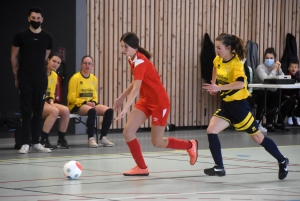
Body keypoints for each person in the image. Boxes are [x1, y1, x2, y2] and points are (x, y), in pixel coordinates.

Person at [202, 33, 289, 180]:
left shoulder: (236, 64)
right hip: (226, 105)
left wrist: (219, 89)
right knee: (211, 130)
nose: (216, 50)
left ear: (228, 48)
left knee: (258, 138)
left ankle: (282, 160)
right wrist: (214, 84)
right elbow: (215, 67)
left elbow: (241, 84)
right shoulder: (218, 59)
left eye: (219, 48)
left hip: (240, 106)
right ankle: (220, 167)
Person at [113, 32, 198, 176]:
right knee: (128, 131)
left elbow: (137, 87)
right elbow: (137, 82)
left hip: (159, 103)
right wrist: (121, 97)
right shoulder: (132, 59)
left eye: (125, 47)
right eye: (121, 47)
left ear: (134, 47)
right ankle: (142, 167)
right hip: (146, 100)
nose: (123, 50)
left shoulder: (140, 61)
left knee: (157, 142)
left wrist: (126, 107)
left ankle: (190, 145)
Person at [11, 7, 52, 154]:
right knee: (26, 111)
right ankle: (25, 143)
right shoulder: (21, 35)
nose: (36, 21)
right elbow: (14, 56)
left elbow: (45, 57)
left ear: (42, 20)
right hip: (25, 78)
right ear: (29, 18)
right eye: (33, 18)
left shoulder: (47, 37)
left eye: (38, 18)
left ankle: (36, 142)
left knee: (38, 110)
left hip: (40, 79)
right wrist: (17, 75)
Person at [67, 56, 114, 147]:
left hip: (90, 104)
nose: (87, 65)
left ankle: (103, 137)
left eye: (89, 63)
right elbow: (71, 98)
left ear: (92, 65)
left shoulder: (93, 78)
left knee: (109, 111)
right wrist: (85, 102)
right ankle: (91, 138)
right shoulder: (75, 78)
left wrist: (93, 102)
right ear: (81, 65)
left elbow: (94, 95)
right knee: (92, 111)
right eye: (85, 63)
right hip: (77, 104)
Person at [254, 48, 294, 131]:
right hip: (260, 91)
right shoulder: (260, 68)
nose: (269, 60)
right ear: (264, 58)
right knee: (269, 97)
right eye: (267, 58)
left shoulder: (275, 67)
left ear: (275, 59)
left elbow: (284, 78)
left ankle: (274, 123)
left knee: (287, 99)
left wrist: (279, 69)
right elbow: (266, 80)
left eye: (271, 58)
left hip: (272, 91)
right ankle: (259, 122)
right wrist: (274, 70)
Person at [40, 52, 70, 149]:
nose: (55, 64)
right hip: (37, 103)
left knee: (65, 110)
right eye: (54, 61)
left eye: (58, 63)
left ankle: (61, 140)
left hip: (47, 102)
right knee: (54, 111)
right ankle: (43, 140)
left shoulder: (54, 75)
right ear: (48, 60)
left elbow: (51, 93)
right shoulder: (40, 73)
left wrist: (51, 102)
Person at [283, 61, 300, 125]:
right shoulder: (287, 77)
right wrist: (293, 97)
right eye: (292, 67)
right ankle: (289, 116)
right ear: (288, 68)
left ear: (298, 69)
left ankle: (297, 115)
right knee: (291, 101)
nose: (293, 68)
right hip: (287, 95)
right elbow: (286, 89)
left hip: (295, 95)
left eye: (295, 67)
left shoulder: (298, 78)